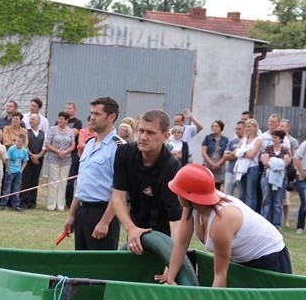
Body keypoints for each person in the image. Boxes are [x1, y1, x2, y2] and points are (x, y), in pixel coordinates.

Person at [156, 164, 292, 288]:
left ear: (188, 195)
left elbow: (220, 274)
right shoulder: (191, 204)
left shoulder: (221, 221)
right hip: (244, 261)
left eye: (179, 192)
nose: (175, 195)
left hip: (270, 259)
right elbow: (181, 242)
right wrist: (171, 276)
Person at [112, 109, 183, 255]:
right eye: (140, 131)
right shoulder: (124, 153)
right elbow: (118, 197)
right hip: (135, 228)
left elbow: (176, 222)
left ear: (165, 136)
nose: (143, 137)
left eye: (150, 133)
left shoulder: (172, 167)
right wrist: (131, 228)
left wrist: (172, 265)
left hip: (164, 235)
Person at [63, 96, 123, 250]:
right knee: (82, 267)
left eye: (97, 114)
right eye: (91, 113)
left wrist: (105, 221)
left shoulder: (119, 147)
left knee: (100, 269)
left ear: (111, 117)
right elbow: (82, 183)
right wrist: (72, 215)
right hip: (82, 211)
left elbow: (119, 191)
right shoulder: (90, 144)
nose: (92, 118)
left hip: (102, 212)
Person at [44, 111, 76, 211]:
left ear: (67, 120)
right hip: (54, 158)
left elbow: (73, 144)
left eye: (62, 119)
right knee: (53, 181)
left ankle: (60, 204)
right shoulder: (52, 129)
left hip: (66, 160)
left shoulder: (70, 131)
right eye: (59, 118)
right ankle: (51, 204)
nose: (60, 121)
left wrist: (65, 151)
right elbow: (47, 144)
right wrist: (57, 151)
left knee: (63, 181)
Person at [259, 129, 291, 229]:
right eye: (273, 137)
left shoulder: (285, 149)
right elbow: (265, 162)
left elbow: (286, 163)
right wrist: (278, 164)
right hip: (267, 177)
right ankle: (264, 222)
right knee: (266, 201)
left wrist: (273, 163)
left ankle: (276, 224)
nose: (273, 139)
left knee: (278, 202)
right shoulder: (268, 148)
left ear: (281, 139)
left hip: (282, 178)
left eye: (275, 137)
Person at [234, 118, 263, 211]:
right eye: (246, 126)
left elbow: (252, 154)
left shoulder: (258, 140)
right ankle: (241, 212)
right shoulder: (243, 139)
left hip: (252, 167)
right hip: (241, 167)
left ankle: (250, 212)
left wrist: (241, 153)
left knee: (250, 193)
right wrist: (242, 153)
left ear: (255, 127)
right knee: (241, 193)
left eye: (249, 126)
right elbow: (235, 152)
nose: (247, 128)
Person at [19, 113, 46, 210]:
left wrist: (38, 156)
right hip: (27, 159)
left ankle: (32, 202)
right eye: (30, 119)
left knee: (35, 180)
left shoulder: (43, 133)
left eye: (33, 119)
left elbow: (44, 146)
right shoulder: (26, 132)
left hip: (38, 160)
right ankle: (22, 201)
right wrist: (31, 156)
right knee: (25, 181)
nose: (31, 121)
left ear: (38, 121)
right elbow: (24, 145)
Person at [0, 133, 28, 211]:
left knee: (16, 189)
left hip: (18, 172)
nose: (17, 143)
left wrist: (21, 170)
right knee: (7, 189)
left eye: (19, 142)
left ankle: (15, 205)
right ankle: (3, 205)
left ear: (23, 143)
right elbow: (7, 159)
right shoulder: (12, 149)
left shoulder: (24, 151)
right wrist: (8, 170)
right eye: (16, 141)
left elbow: (25, 161)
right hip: (10, 172)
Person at [201, 120, 229, 189]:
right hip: (208, 164)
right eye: (213, 126)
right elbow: (203, 152)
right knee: (206, 185)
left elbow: (227, 154)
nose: (214, 128)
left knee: (217, 187)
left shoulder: (225, 140)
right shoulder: (208, 138)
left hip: (220, 166)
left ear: (221, 128)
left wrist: (218, 164)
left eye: (216, 126)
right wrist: (211, 163)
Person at [222, 121, 245, 197]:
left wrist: (233, 154)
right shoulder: (232, 141)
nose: (237, 131)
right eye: (236, 129)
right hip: (230, 171)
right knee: (227, 195)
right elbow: (225, 156)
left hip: (241, 172)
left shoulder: (247, 142)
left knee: (241, 195)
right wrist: (239, 154)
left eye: (239, 129)